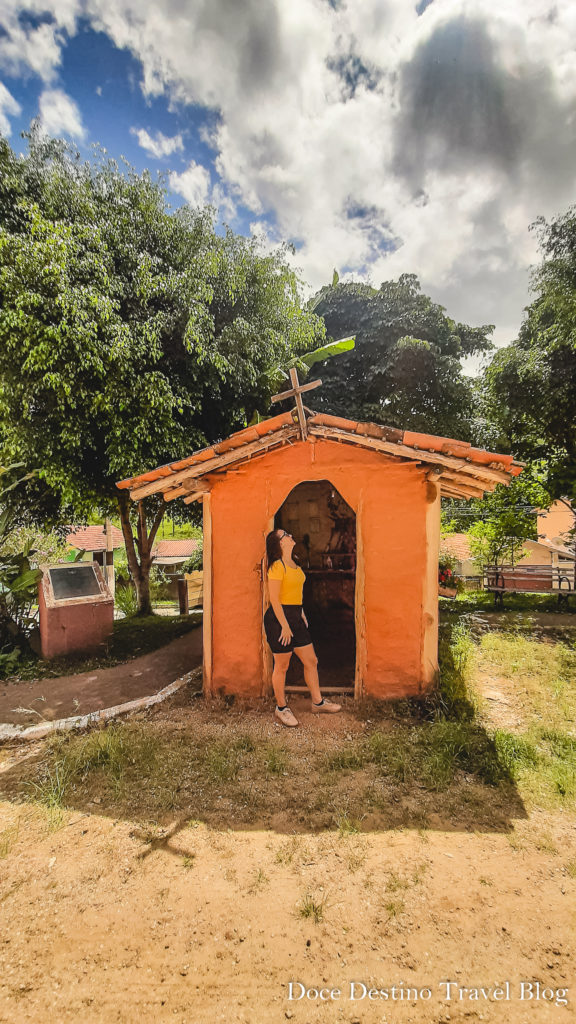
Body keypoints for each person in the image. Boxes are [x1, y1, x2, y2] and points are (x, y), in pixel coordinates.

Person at [264, 527, 342, 727]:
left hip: (295, 616)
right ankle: (281, 708)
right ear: (280, 543)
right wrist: (285, 626)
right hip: (278, 619)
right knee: (282, 665)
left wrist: (301, 613)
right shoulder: (276, 566)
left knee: (311, 660)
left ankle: (318, 703)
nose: (290, 536)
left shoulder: (295, 562)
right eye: (286, 535)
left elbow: (294, 593)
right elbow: (274, 599)